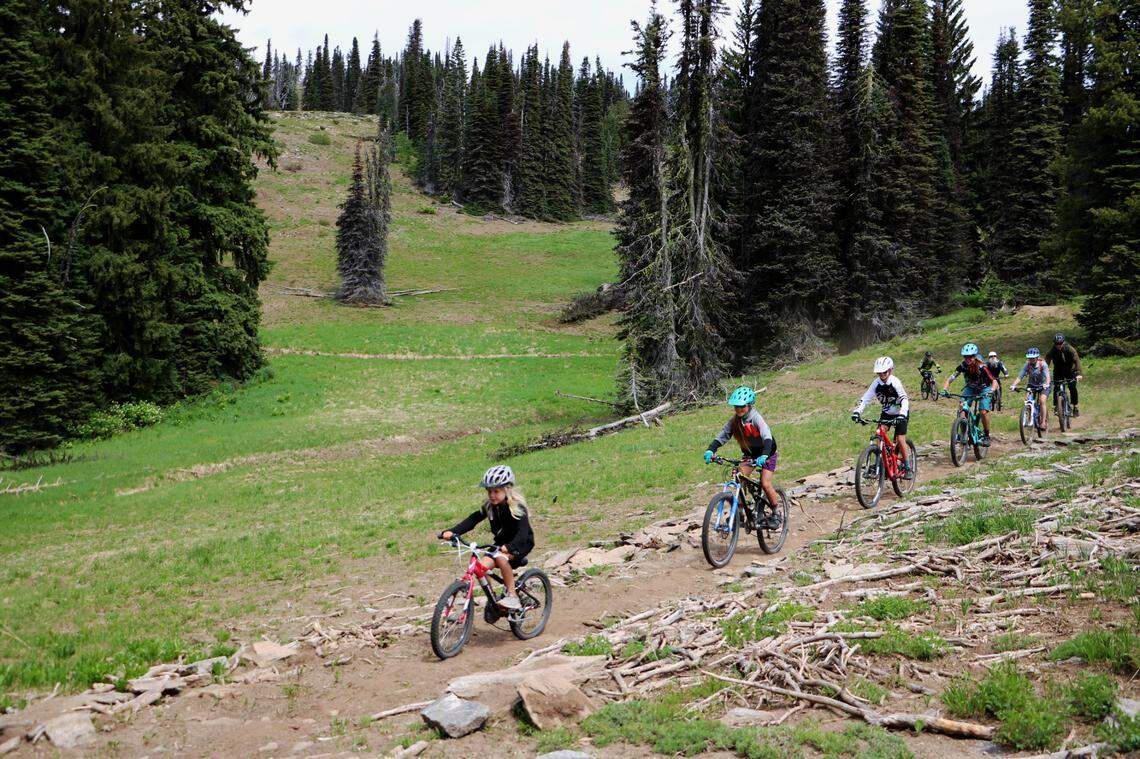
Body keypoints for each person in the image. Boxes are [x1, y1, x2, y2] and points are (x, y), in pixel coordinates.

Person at [440, 465, 534, 610]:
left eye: (496, 491)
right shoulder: (489, 506)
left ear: (507, 489)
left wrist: (510, 547)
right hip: (500, 543)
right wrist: (452, 532)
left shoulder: (517, 507)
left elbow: (523, 532)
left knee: (501, 559)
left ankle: (512, 596)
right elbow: (472, 520)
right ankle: (492, 600)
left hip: (520, 543)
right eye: (489, 491)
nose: (492, 495)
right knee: (481, 567)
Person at [703, 386, 781, 516]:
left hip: (767, 453)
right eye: (736, 407)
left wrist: (765, 455)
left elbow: (767, 437)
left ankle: (776, 512)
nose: (739, 410)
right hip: (750, 454)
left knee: (765, 484)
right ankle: (739, 514)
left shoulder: (756, 418)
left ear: (749, 405)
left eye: (742, 406)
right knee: (740, 478)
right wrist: (711, 450)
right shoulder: (735, 421)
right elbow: (723, 435)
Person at [851, 356, 913, 477]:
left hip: (901, 412)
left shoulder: (895, 382)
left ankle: (907, 466)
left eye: (884, 372)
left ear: (890, 370)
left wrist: (902, 413)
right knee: (879, 433)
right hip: (887, 413)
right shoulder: (876, 384)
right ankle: (880, 462)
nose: (882, 374)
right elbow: (865, 398)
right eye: (879, 372)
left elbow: (904, 399)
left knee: (900, 439)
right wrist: (857, 411)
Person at [943, 343, 999, 444]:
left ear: (975, 356)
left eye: (971, 357)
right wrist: (945, 389)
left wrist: (991, 392)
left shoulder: (982, 367)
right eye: (965, 357)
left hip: (984, 389)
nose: (968, 359)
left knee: (983, 411)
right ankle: (964, 432)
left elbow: (994, 381)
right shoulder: (963, 366)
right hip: (970, 388)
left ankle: (986, 435)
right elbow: (951, 378)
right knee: (962, 406)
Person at [1010, 348, 1051, 433]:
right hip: (1032, 385)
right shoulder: (1027, 365)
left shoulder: (1043, 364)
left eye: (1033, 358)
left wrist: (1047, 384)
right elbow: (1020, 376)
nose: (1031, 360)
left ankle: (1043, 422)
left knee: (1042, 400)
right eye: (1029, 358)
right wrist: (1014, 385)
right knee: (1027, 400)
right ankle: (1028, 416)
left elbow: (1047, 376)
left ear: (1037, 357)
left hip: (1043, 385)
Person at [1045, 333, 1084, 417]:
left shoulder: (1070, 349)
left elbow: (1077, 360)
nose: (1058, 345)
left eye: (1060, 343)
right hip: (1058, 371)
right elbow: (1047, 359)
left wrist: (1079, 374)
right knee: (1056, 387)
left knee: (1072, 387)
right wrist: (1044, 370)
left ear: (1063, 342)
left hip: (1070, 370)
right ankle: (1056, 406)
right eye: (1056, 344)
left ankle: (1075, 407)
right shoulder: (1053, 350)